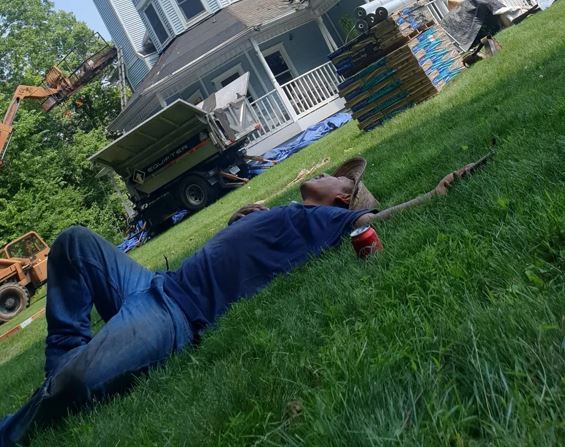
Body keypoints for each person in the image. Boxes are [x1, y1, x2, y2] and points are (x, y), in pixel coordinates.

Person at [0, 154, 488, 446]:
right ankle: (60, 369)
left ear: (343, 198)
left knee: (78, 380)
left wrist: (435, 194)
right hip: (153, 284)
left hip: (174, 315)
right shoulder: (281, 213)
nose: (331, 173)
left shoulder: (326, 221)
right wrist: (242, 221)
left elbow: (374, 222)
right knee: (73, 242)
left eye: (341, 178)